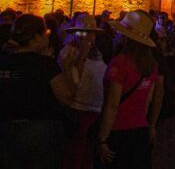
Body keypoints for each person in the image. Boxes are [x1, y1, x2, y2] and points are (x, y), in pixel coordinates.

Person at [0, 14, 82, 168]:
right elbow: (66, 98)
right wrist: (68, 68)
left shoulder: (4, 62)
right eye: (45, 33)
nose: (47, 38)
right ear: (36, 37)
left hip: (6, 132)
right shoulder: (45, 65)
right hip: (41, 133)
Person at [96, 10, 162, 169]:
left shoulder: (120, 63)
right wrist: (150, 125)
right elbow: (147, 102)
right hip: (140, 129)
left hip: (118, 130)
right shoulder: (151, 65)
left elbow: (112, 105)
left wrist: (102, 139)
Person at [60, 13, 108, 169]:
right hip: (77, 110)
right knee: (75, 153)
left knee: (87, 153)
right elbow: (73, 81)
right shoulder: (68, 52)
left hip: (95, 109)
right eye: (84, 32)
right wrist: (82, 55)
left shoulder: (97, 53)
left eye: (92, 33)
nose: (88, 36)